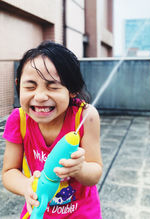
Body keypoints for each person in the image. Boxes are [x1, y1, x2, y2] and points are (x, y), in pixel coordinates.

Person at [2, 41, 102, 218]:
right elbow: (9, 172)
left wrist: (80, 169)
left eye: (53, 87)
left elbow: (95, 173)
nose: (40, 97)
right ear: (18, 85)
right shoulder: (18, 120)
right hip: (39, 209)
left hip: (82, 212)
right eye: (30, 86)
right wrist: (27, 186)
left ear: (72, 90)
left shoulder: (86, 116)